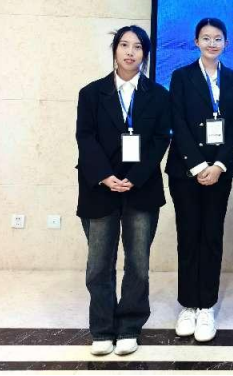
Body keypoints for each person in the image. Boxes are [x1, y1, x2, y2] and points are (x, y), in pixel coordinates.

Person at [76, 25, 171, 356]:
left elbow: (161, 139)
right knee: (99, 265)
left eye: (138, 47)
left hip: (140, 188)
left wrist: (136, 176)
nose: (131, 52)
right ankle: (102, 329)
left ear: (145, 54)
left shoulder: (159, 95)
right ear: (115, 50)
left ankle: (130, 326)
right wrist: (105, 175)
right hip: (99, 188)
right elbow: (85, 137)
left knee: (138, 263)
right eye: (124, 45)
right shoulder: (91, 93)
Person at [165, 18, 233, 343]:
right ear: (196, 41)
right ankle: (188, 305)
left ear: (226, 43)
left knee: (212, 236)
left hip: (220, 173)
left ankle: (207, 306)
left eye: (218, 38)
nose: (212, 44)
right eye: (206, 38)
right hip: (185, 171)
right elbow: (178, 123)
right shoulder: (181, 77)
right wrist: (199, 166)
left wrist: (219, 165)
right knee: (189, 236)